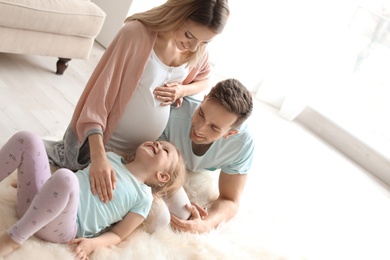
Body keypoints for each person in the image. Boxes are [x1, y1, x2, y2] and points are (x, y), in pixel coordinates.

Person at [44, 0, 230, 205]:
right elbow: (96, 102)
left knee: (181, 211)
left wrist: (182, 90)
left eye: (205, 42)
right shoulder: (135, 34)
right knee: (76, 200)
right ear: (176, 13)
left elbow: (205, 79)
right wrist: (99, 159)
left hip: (145, 159)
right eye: (189, 35)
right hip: (106, 147)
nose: (194, 46)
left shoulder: (195, 50)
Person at [0, 131, 185, 259]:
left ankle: (14, 238)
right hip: (35, 205)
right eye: (158, 142)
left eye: (164, 150)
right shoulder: (110, 158)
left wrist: (92, 244)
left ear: (162, 176)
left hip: (62, 226)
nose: (157, 144)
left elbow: (118, 234)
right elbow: (77, 177)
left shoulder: (144, 198)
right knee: (28, 139)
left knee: (66, 178)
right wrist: (41, 184)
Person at [157, 78, 254, 233]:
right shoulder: (172, 113)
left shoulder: (241, 144)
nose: (200, 129)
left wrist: (205, 224)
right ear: (204, 98)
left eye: (214, 128)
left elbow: (230, 200)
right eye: (201, 113)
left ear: (230, 133)